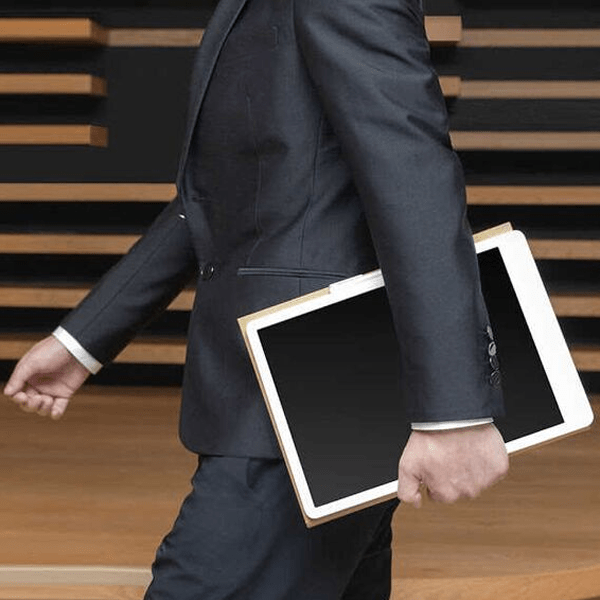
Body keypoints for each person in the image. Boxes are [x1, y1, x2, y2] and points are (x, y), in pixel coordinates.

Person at [3, 0, 509, 598]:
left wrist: (454, 412)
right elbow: (219, 196)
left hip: (312, 397)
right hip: (289, 400)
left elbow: (415, 180)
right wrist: (84, 340)